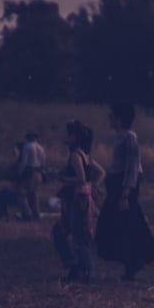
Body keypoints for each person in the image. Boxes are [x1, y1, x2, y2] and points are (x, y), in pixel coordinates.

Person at [95, 102, 154, 282]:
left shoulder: (129, 138)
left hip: (124, 188)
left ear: (119, 118)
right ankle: (132, 262)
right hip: (117, 185)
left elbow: (132, 168)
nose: (109, 119)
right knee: (123, 226)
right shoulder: (120, 138)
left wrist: (125, 194)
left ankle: (134, 261)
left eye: (112, 116)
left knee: (125, 225)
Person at [52, 121, 105, 283]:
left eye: (67, 134)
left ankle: (86, 272)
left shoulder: (75, 155)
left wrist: (62, 178)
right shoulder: (84, 154)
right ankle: (78, 268)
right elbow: (101, 172)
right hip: (81, 198)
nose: (64, 136)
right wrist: (95, 184)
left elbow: (81, 178)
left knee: (78, 237)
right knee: (68, 234)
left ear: (74, 137)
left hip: (78, 199)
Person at [15, 131, 46, 220]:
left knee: (22, 194)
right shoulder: (41, 147)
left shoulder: (27, 147)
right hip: (39, 172)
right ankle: (36, 214)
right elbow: (43, 162)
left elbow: (24, 162)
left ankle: (26, 214)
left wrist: (20, 173)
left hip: (29, 171)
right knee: (35, 194)